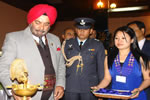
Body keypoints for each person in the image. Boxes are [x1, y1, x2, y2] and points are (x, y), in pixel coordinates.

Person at [0, 4, 66, 100]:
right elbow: (2, 67)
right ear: (31, 21)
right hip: (25, 96)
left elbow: (60, 65)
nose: (42, 28)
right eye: (38, 22)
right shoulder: (14, 38)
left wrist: (60, 84)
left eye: (46, 24)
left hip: (52, 96)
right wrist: (13, 90)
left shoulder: (55, 40)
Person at [91, 26, 150, 100]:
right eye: (116, 38)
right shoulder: (109, 58)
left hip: (135, 96)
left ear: (132, 40)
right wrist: (98, 87)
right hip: (114, 96)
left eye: (123, 38)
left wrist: (139, 89)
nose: (119, 41)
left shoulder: (141, 58)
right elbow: (107, 78)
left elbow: (148, 79)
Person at [61, 17, 105, 100]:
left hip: (90, 87)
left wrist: (101, 89)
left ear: (91, 31)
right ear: (75, 30)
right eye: (79, 28)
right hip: (70, 86)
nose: (82, 31)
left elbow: (101, 69)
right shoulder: (67, 43)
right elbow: (61, 66)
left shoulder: (97, 45)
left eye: (85, 29)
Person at [127, 21, 150, 100]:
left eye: (133, 30)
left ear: (142, 30)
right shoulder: (126, 48)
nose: (131, 33)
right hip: (129, 87)